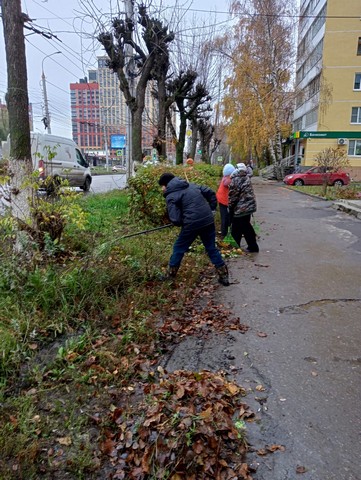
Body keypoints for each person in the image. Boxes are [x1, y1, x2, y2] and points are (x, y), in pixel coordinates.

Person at [158, 172, 230, 286]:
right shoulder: (191, 185)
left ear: (166, 185)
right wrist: (211, 209)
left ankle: (170, 275)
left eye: (162, 186)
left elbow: (175, 219)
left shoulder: (170, 196)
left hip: (191, 224)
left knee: (179, 248)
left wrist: (184, 220)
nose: (162, 189)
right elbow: (210, 192)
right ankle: (224, 276)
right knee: (211, 248)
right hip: (208, 220)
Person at [228, 163, 259, 253]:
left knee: (244, 226)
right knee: (239, 226)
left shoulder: (236, 180)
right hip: (248, 206)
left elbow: (233, 196)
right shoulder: (245, 177)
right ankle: (236, 245)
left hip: (242, 208)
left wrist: (230, 207)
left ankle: (253, 247)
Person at [216, 163, 236, 240]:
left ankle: (225, 233)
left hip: (221, 200)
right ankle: (225, 235)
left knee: (225, 217)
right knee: (226, 218)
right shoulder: (228, 179)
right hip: (224, 201)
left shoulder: (225, 177)